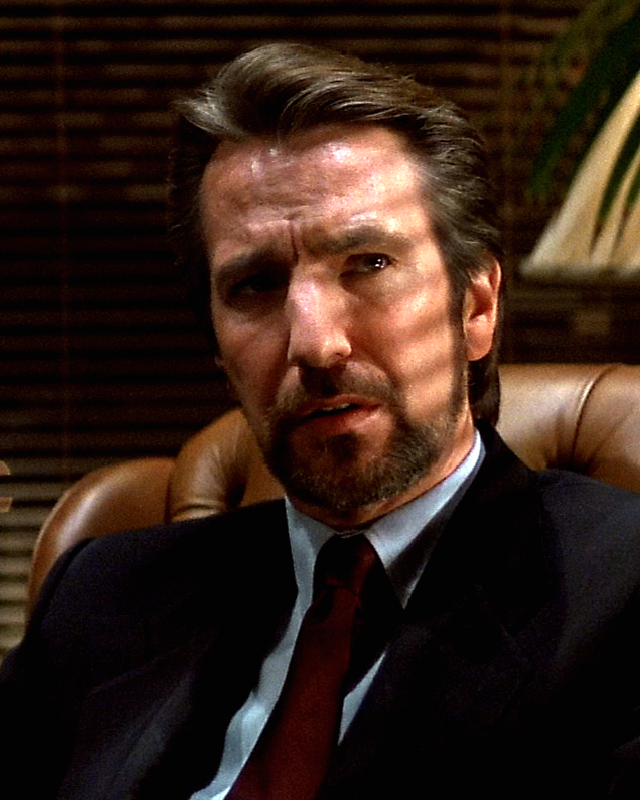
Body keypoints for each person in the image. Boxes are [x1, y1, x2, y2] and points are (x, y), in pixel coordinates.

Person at [3, 42, 640, 800]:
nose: (314, 343)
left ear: (475, 308)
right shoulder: (103, 596)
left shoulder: (619, 596)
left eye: (369, 263)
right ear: (218, 349)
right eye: (255, 285)